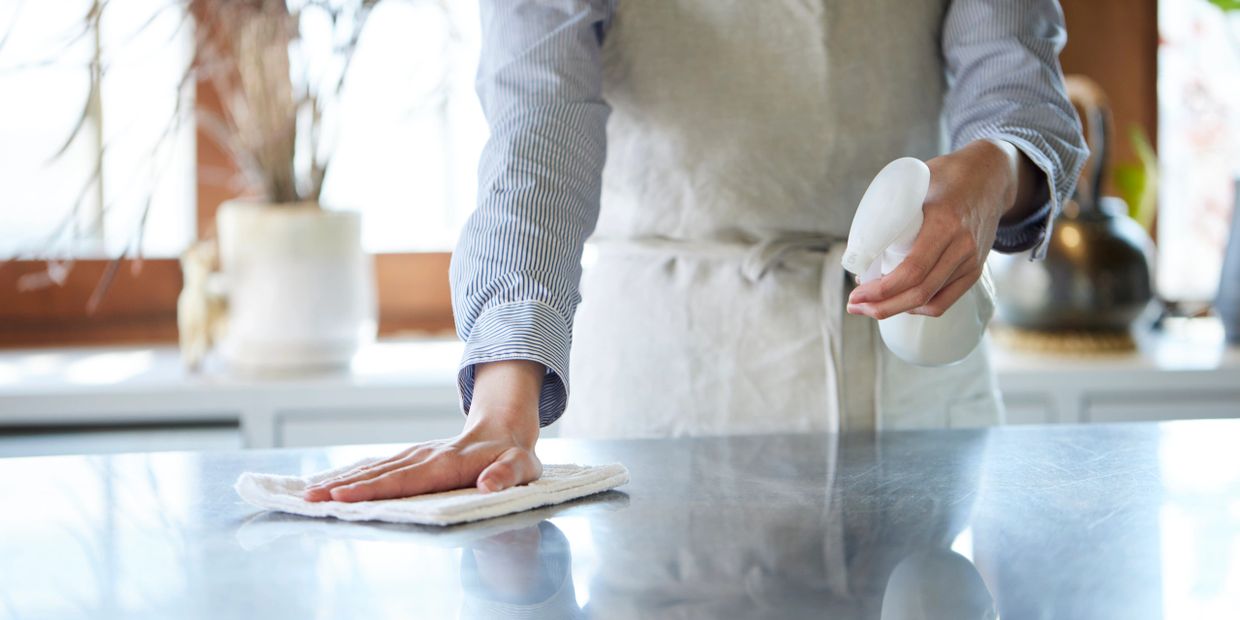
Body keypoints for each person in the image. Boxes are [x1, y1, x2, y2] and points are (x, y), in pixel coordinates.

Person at [304, 0, 1087, 503]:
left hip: (908, 365)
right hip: (667, 384)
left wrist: (997, 166)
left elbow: (1018, 91)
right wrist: (504, 405)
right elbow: (538, 128)